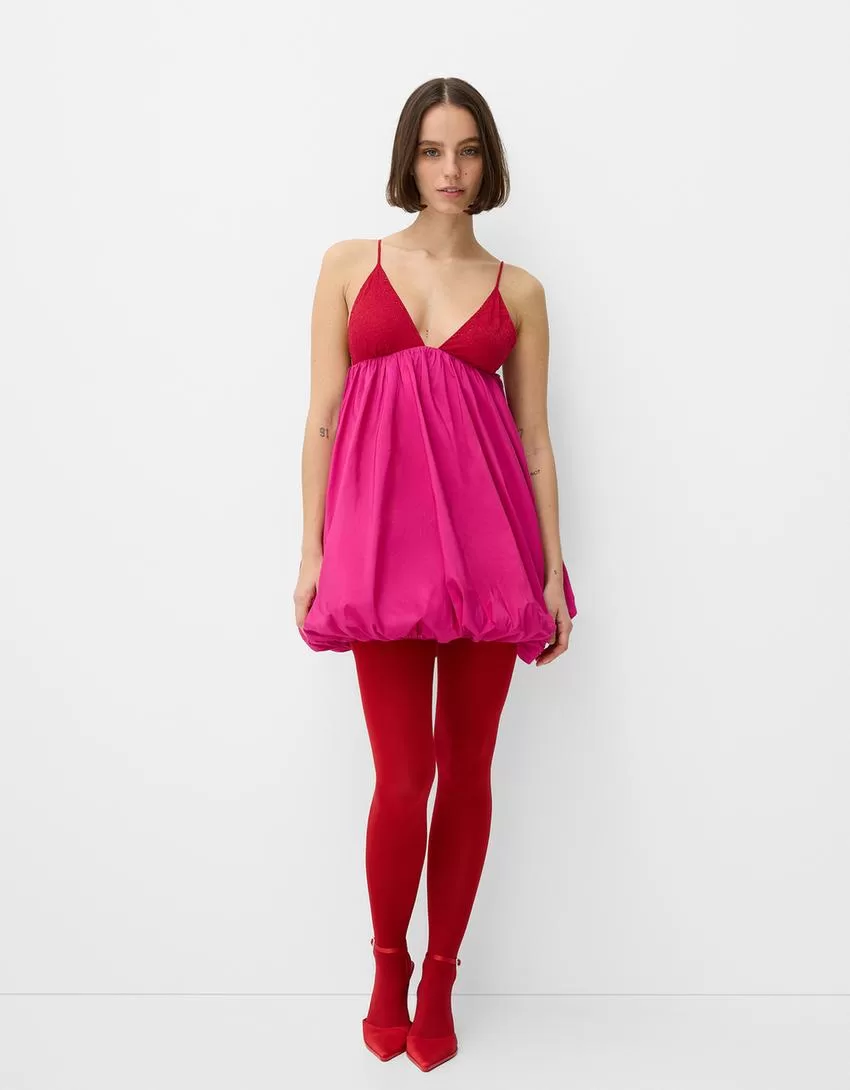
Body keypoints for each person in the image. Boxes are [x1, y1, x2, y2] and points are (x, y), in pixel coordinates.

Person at [294, 76, 578, 1072]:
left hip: (491, 558)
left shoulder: (519, 290)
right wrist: (312, 551)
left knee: (467, 770)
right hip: (378, 563)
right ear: (406, 159)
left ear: (486, 160)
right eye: (431, 150)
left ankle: (442, 976)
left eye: (466, 150)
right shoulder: (348, 265)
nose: (449, 170)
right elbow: (322, 419)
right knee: (402, 775)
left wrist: (552, 571)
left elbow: (533, 442)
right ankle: (388, 966)